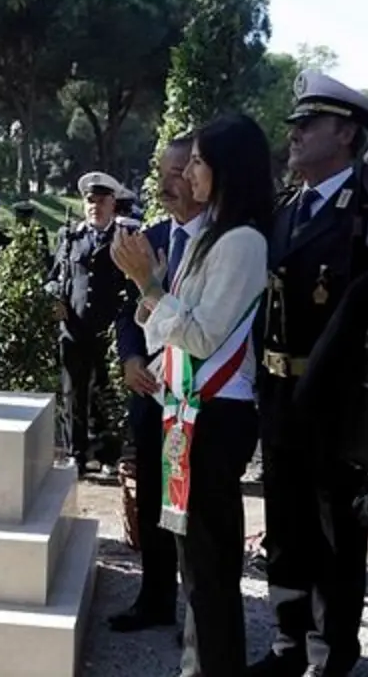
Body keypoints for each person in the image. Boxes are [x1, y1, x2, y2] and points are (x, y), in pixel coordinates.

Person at [113, 113, 274, 677]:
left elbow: (204, 335)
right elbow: (166, 327)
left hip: (218, 414)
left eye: (199, 162)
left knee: (210, 566)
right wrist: (150, 293)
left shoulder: (243, 242)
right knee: (194, 565)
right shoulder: (208, 237)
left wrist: (148, 285)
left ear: (226, 170)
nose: (189, 173)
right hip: (186, 412)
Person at [250, 71, 368, 677]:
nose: (295, 134)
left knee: (334, 530)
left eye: (308, 124)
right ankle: (289, 642)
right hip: (281, 392)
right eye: (294, 124)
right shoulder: (288, 209)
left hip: (335, 402)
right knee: (284, 524)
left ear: (345, 133)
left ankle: (330, 652)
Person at [108, 134, 202, 635]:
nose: (166, 184)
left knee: (197, 507)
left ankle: (202, 615)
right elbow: (128, 313)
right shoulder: (152, 237)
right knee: (154, 498)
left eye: (178, 172)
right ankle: (155, 597)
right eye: (161, 172)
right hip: (151, 393)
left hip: (201, 397)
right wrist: (130, 359)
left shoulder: (222, 241)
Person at [47, 171, 132, 474]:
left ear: (113, 203)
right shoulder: (70, 237)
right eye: (90, 200)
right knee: (73, 393)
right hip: (73, 326)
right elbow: (54, 277)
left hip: (108, 329)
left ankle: (108, 454)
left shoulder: (124, 237)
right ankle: (76, 454)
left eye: (102, 200)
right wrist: (55, 297)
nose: (95, 206)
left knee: (105, 390)